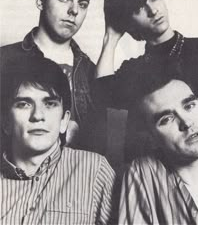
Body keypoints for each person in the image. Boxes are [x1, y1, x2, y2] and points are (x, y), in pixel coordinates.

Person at [96, 0, 198, 162]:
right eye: (138, 8)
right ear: (128, 23)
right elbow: (102, 94)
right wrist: (110, 39)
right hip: (161, 178)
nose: (153, 10)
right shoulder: (134, 71)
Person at [1, 0, 107, 154]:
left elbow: (100, 149)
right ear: (41, 1)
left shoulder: (92, 72)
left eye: (82, 4)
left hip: (78, 180)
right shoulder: (4, 61)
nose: (74, 10)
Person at [0, 57, 115, 225]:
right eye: (24, 104)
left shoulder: (95, 170)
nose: (38, 115)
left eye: (50, 104)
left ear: (64, 121)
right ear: (6, 122)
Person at [118, 61, 198, 224]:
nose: (186, 123)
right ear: (151, 138)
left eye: (189, 106)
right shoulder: (144, 174)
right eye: (166, 119)